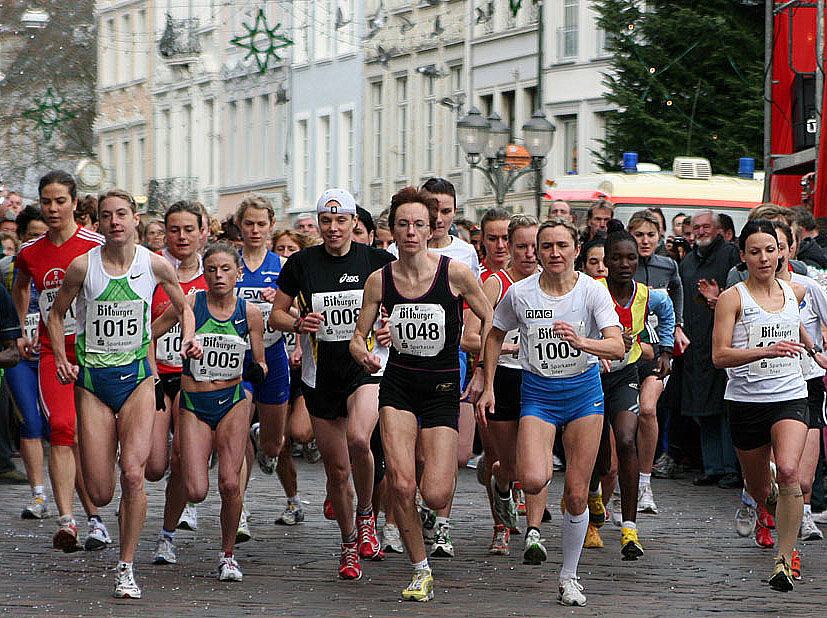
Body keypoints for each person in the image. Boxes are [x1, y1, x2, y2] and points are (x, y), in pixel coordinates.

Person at [46, 188, 198, 599]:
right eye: (107, 215)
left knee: (134, 473)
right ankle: (104, 463)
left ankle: (126, 567)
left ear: (135, 221)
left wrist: (188, 338)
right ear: (97, 223)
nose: (115, 221)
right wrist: (62, 356)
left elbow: (184, 306)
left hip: (137, 378)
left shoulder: (154, 264)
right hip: (93, 384)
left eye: (122, 214)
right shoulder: (82, 267)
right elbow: (56, 314)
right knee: (100, 491)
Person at [350, 186, 492, 601]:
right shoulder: (380, 280)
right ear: (390, 231)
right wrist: (365, 355)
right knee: (399, 480)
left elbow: (491, 322)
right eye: (402, 224)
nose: (410, 232)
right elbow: (358, 338)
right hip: (397, 386)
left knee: (436, 492)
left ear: (431, 229)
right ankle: (419, 569)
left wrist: (483, 369)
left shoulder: (455, 274)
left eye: (418, 224)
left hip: (443, 388)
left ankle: (427, 521)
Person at [477, 216, 624, 607]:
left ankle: (569, 576)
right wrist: (489, 384)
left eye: (562, 245)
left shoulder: (592, 292)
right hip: (538, 394)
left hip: (583, 395)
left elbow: (617, 347)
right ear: (536, 252)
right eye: (546, 247)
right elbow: (493, 333)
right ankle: (502, 484)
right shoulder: (521, 293)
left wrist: (583, 341)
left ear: (577, 249)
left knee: (577, 495)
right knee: (535, 477)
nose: (554, 253)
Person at [270, 188, 394, 580]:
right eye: (327, 221)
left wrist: (391, 324)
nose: (334, 228)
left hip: (367, 366)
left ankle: (367, 515)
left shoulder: (376, 260)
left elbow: (403, 300)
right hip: (320, 374)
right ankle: (347, 544)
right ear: (319, 224)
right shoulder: (302, 263)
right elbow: (275, 314)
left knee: (360, 439)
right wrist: (296, 323)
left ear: (355, 222)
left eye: (342, 221)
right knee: (337, 473)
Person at [712, 218, 815, 592]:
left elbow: (795, 325)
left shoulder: (797, 291)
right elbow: (719, 355)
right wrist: (766, 350)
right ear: (743, 256)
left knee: (789, 471)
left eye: (770, 250)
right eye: (754, 252)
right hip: (746, 401)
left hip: (790, 395)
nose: (764, 258)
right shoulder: (732, 298)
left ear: (782, 252)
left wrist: (813, 350)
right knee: (762, 490)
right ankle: (768, 512)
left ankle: (784, 560)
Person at [153, 243, 265, 583]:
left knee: (231, 483)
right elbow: (149, 335)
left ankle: (227, 555)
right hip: (193, 404)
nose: (218, 276)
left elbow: (259, 360)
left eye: (226, 270)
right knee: (196, 488)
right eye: (212, 269)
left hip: (232, 401)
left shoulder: (250, 314)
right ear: (205, 273)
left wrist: (257, 370)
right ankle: (167, 535)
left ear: (238, 274)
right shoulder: (190, 304)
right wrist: (155, 379)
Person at [12, 171, 110, 553]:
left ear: (74, 202)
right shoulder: (31, 251)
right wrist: (21, 328)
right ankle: (68, 521)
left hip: (96, 350)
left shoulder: (94, 245)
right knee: (63, 429)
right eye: (47, 201)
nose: (53, 209)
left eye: (60, 201)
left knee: (90, 438)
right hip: (54, 351)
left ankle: (97, 516)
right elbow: (21, 287)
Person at [461, 214, 540, 557]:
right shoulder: (496, 283)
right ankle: (501, 518)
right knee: (504, 462)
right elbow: (470, 337)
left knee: (534, 461)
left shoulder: (551, 281)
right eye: (521, 246)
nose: (529, 253)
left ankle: (533, 531)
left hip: (539, 378)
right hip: (504, 377)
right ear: (509, 246)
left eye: (535, 246)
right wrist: (495, 361)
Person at [148, 201, 209, 549]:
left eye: (189, 229)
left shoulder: (214, 273)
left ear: (202, 232)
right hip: (157, 375)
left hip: (194, 380)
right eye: (174, 229)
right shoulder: (149, 268)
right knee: (154, 466)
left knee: (181, 460)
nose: (182, 237)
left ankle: (167, 536)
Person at [234, 196, 291, 540]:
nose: (255, 230)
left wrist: (280, 304)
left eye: (261, 224)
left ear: (271, 226)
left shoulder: (284, 267)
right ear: (239, 226)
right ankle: (238, 509)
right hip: (236, 360)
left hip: (273, 357)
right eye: (249, 224)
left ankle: (262, 437)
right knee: (235, 433)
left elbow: (297, 315)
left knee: (273, 445)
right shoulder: (230, 264)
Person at [679, 211, 741, 488]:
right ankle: (712, 465)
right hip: (695, 345)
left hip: (725, 342)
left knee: (724, 409)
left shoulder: (729, 255)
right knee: (702, 410)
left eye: (706, 227)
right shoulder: (688, 261)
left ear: (718, 230)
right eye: (697, 228)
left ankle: (730, 467)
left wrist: (720, 299)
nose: (701, 231)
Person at [627, 210, 683, 512]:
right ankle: (615, 479)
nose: (645, 241)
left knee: (648, 410)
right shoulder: (623, 266)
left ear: (659, 235)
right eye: (639, 235)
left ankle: (644, 482)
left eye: (651, 235)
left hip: (656, 351)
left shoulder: (667, 264)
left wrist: (677, 328)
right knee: (621, 419)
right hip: (626, 350)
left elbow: (677, 293)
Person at [270, 229, 319, 526]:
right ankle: (293, 500)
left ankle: (312, 439)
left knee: (299, 431)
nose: (286, 253)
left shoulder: (309, 279)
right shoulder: (269, 283)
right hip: (277, 366)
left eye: (292, 248)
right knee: (281, 443)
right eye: (281, 248)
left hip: (303, 369)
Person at [4, 207, 51, 505]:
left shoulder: (65, 266)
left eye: (42, 235)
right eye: (31, 235)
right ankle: (38, 496)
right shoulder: (5, 268)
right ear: (20, 237)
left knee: (57, 427)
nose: (37, 241)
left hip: (51, 353)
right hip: (19, 356)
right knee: (30, 423)